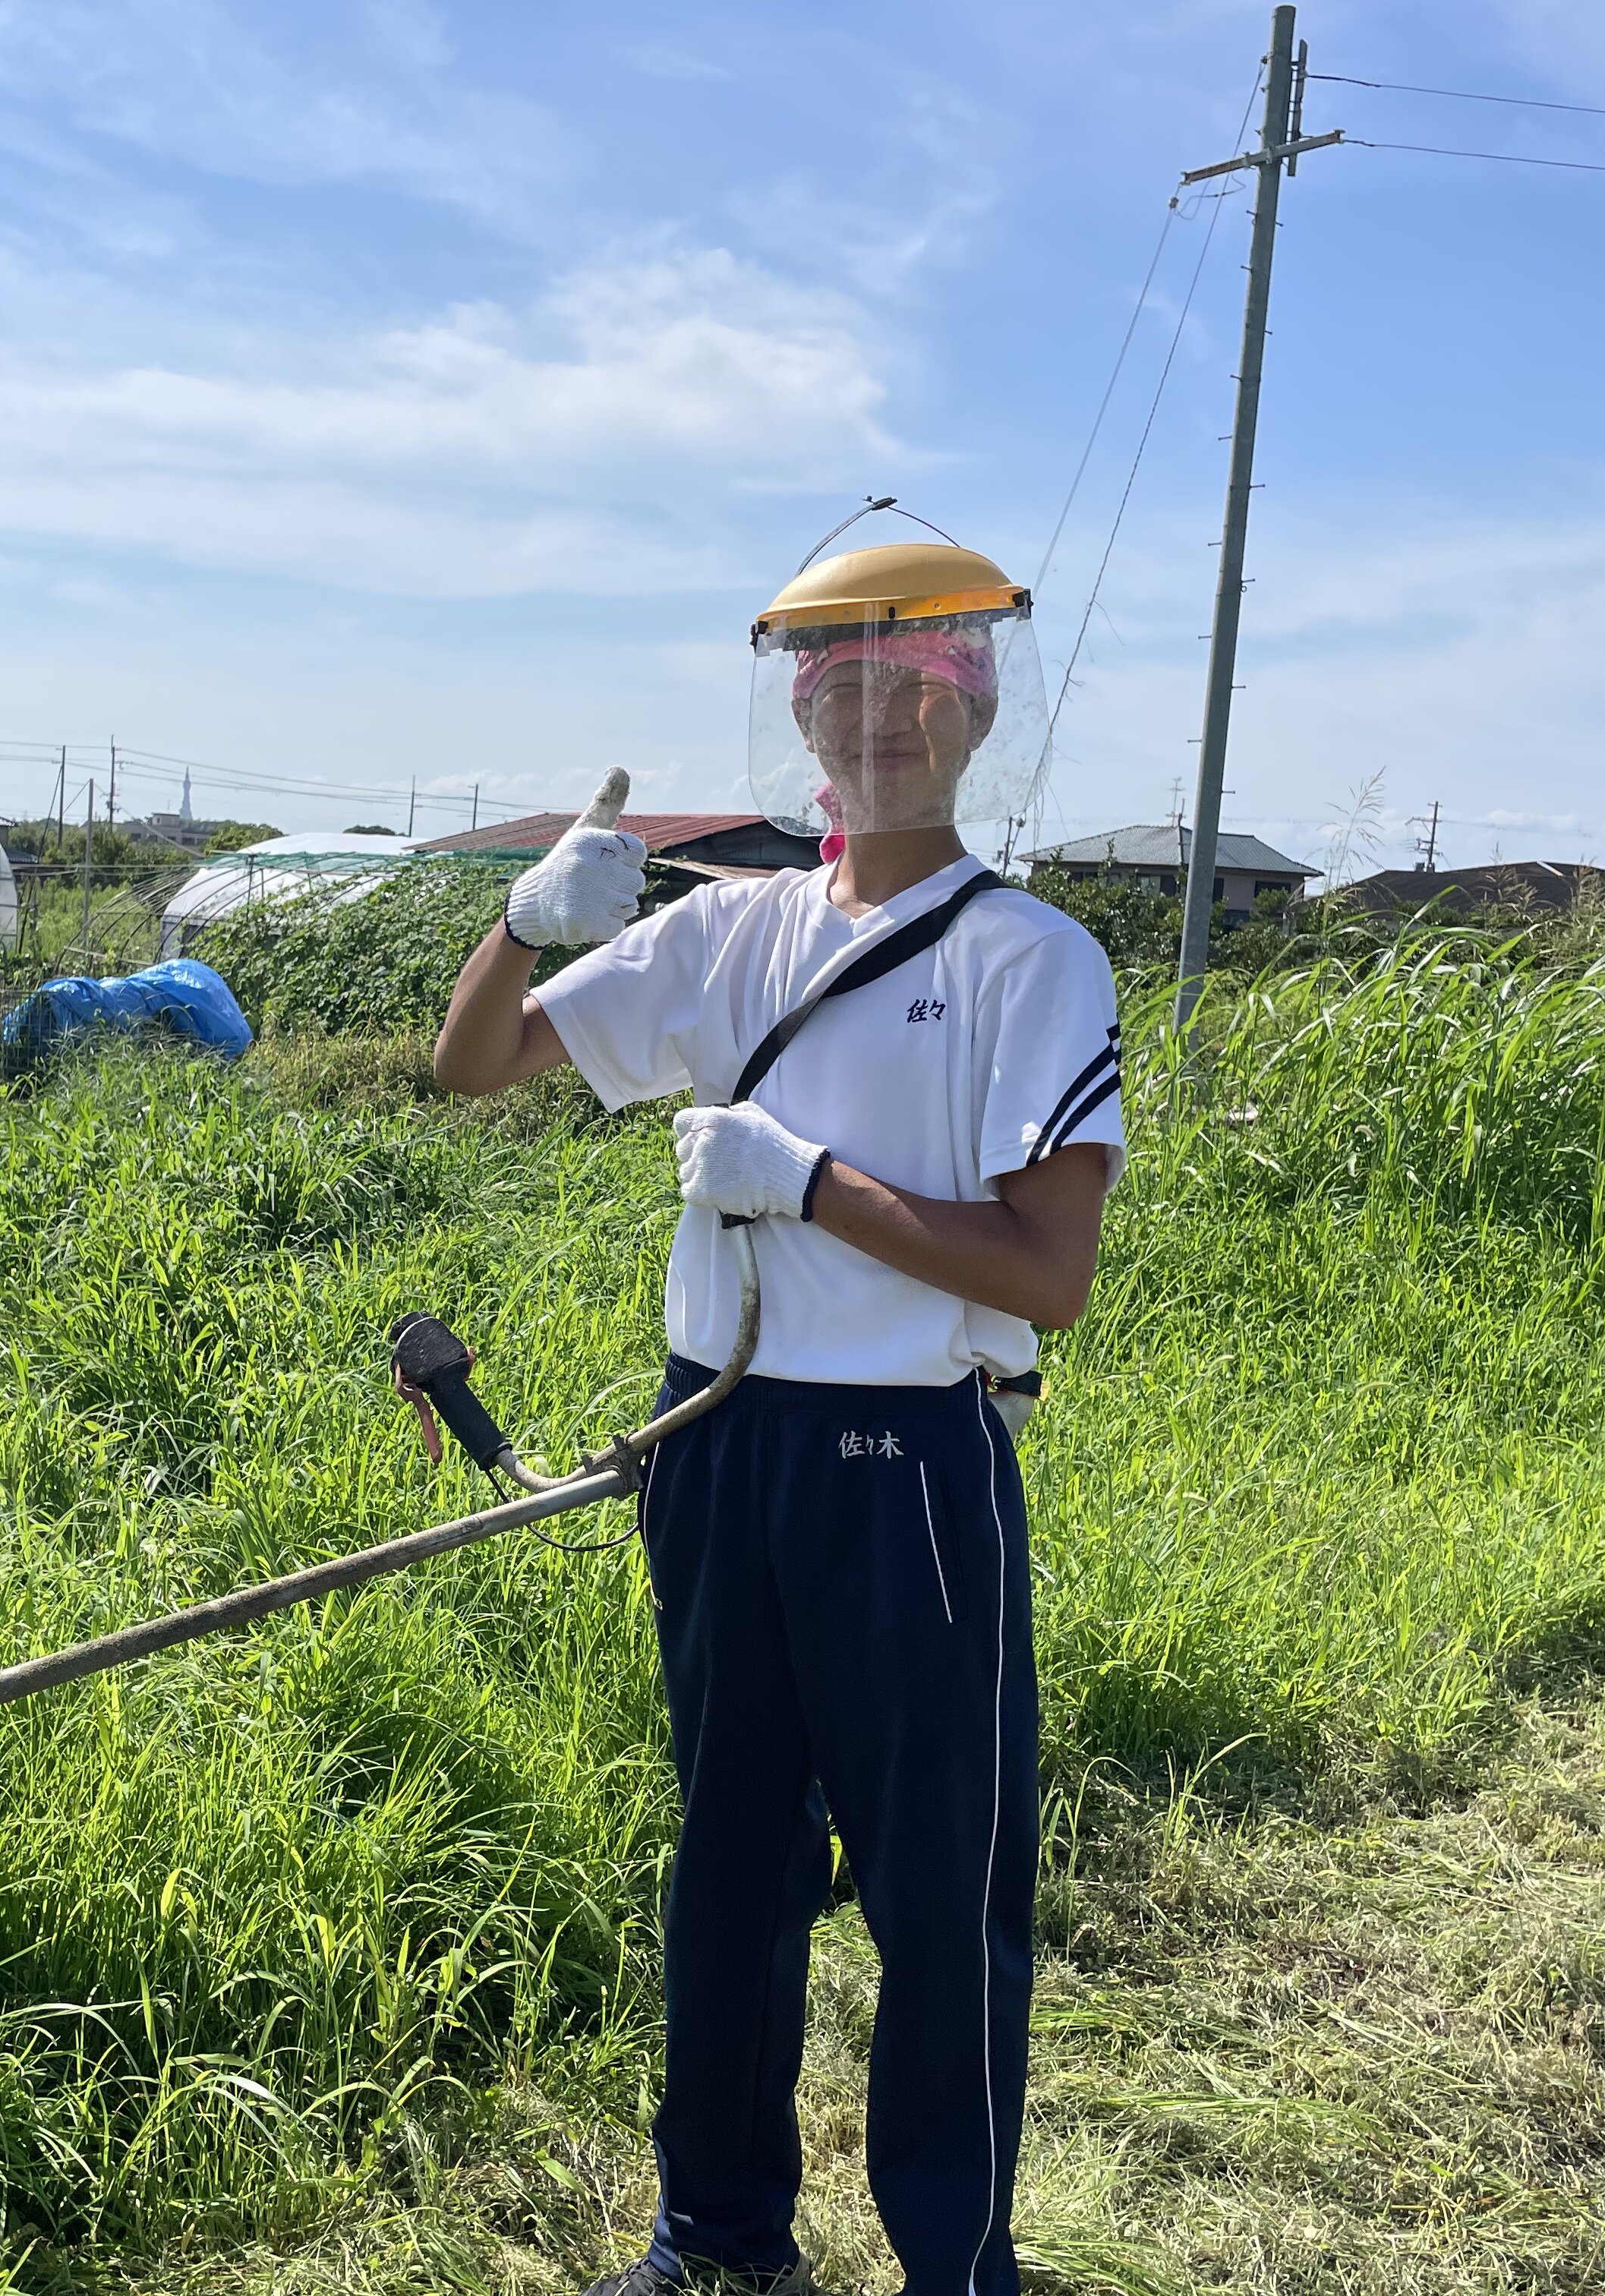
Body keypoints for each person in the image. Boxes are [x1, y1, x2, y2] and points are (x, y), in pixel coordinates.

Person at [431, 527, 1124, 2296]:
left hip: (905, 1462)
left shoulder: (1032, 957)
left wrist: (806, 1181)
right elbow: (473, 1068)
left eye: (918, 689)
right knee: (729, 1860)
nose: (880, 721)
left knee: (935, 1890)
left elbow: (1046, 1274)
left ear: (971, 718)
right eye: (844, 691)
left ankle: (958, 2263)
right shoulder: (724, 929)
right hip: (718, 1445)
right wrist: (520, 928)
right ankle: (722, 2234)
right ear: (804, 721)